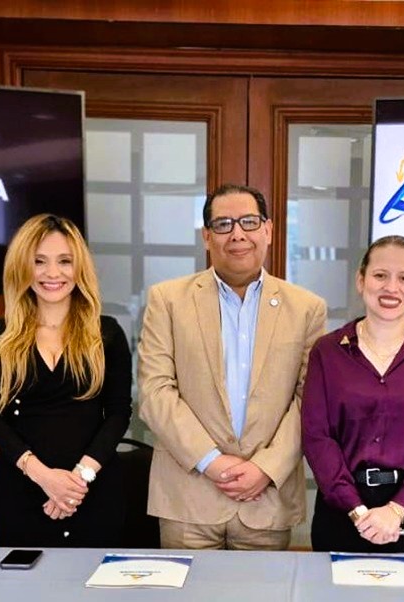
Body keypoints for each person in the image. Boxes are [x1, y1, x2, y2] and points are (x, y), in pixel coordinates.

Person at [137, 183, 327, 550]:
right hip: (188, 496)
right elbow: (154, 391)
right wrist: (210, 461)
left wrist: (265, 468)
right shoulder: (167, 300)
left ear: (268, 230)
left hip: (266, 498)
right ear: (207, 237)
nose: (237, 234)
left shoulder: (307, 308)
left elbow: (310, 401)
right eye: (223, 224)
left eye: (249, 222)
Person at [302, 235, 404, 553]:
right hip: (343, 513)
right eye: (380, 275)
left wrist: (396, 510)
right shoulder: (328, 351)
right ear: (361, 281)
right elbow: (317, 438)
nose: (391, 287)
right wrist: (357, 511)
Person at [0, 214, 132, 547]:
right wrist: (44, 477)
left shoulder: (106, 334)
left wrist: (79, 479)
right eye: (39, 261)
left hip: (94, 491)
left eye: (64, 261)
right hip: (21, 493)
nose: (53, 273)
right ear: (22, 267)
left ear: (79, 267)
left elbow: (119, 414)